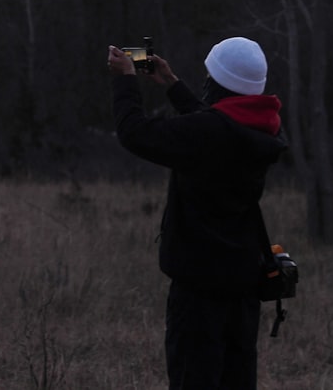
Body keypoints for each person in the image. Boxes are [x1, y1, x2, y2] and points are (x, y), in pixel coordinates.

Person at [107, 37, 286, 389]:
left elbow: (134, 133)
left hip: (199, 291)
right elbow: (216, 124)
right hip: (243, 286)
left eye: (208, 77)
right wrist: (173, 85)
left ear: (215, 83)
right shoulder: (264, 128)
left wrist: (125, 79)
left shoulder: (209, 134)